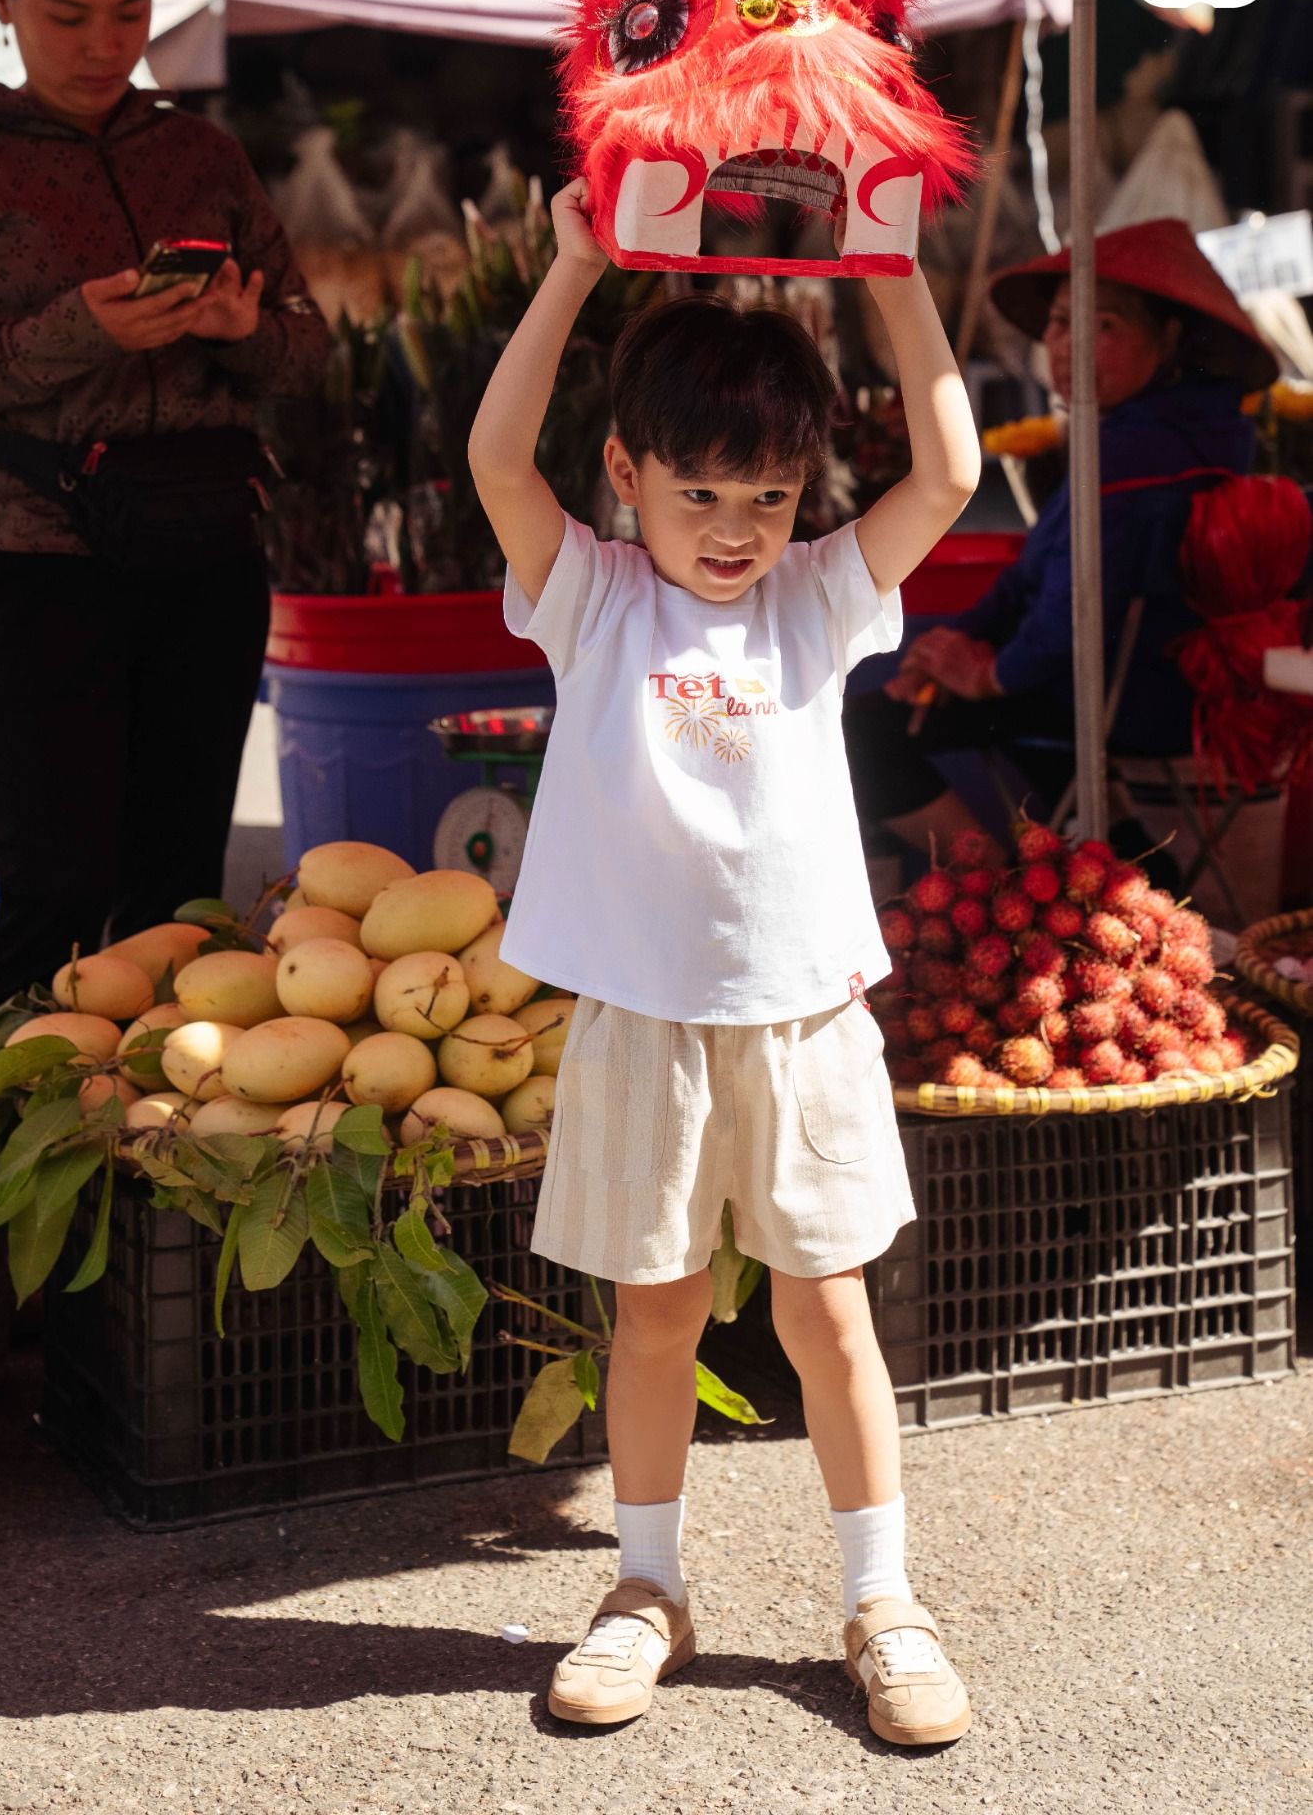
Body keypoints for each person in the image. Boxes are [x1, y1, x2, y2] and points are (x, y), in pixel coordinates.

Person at [469, 179, 980, 1741]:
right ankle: (646, 1588)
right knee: (655, 1318)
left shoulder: (825, 594)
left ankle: (881, 1598)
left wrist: (890, 270)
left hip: (805, 1014)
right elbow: (498, 455)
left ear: (804, 490)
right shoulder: (591, 595)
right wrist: (566, 268)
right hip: (643, 1021)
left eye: (768, 498)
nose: (736, 532)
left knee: (832, 1320)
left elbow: (952, 468)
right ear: (625, 474)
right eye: (698, 496)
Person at [0, 0, 328, 1010]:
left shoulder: (199, 154)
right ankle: (5, 1177)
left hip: (205, 546)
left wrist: (236, 330)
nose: (103, 43)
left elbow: (307, 351)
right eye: (67, 16)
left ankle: (167, 1171)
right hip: (33, 553)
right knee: (55, 897)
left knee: (181, 908)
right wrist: (78, 329)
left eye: (131, 11)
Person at [844, 218, 1278, 861]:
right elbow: (1032, 581)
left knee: (865, 731)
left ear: (1169, 339)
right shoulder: (1160, 431)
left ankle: (997, 885)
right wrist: (949, 649)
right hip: (1095, 691)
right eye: (1057, 321)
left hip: (1124, 706)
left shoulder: (1144, 450)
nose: (1065, 342)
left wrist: (990, 673)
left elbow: (1074, 609)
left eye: (1101, 325)